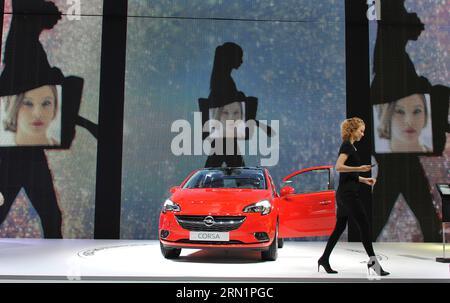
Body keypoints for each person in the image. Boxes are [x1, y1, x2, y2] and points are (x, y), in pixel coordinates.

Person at [318, 117, 389, 276]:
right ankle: (374, 264)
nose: (363, 134)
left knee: (339, 228)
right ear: (352, 130)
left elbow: (348, 175)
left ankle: (324, 259)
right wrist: (359, 168)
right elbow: (338, 167)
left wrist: (364, 179)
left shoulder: (350, 147)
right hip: (348, 195)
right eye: (361, 131)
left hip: (345, 193)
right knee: (364, 225)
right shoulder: (347, 147)